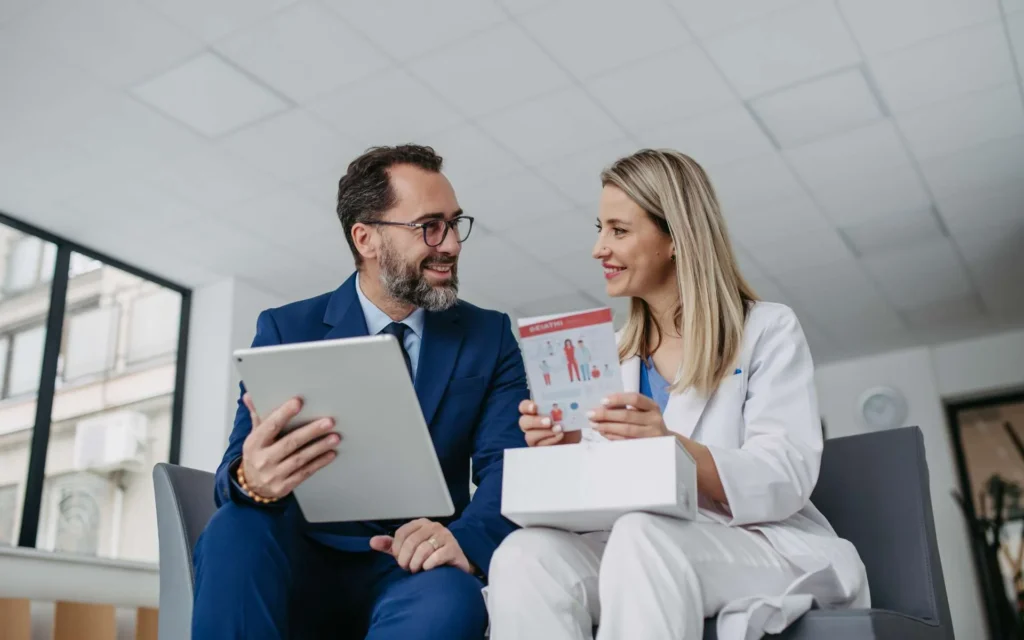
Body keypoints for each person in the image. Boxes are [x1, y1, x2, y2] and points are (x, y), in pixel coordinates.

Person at [484, 149, 870, 639]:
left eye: (619, 231)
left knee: (643, 536)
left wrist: (672, 449)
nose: (599, 248)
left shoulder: (766, 330)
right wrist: (568, 447)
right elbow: (606, 492)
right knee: (525, 556)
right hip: (634, 546)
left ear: (675, 238)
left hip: (754, 544)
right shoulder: (611, 355)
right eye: (600, 229)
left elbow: (784, 474)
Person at [191, 145, 529, 640]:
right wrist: (253, 479)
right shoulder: (286, 329)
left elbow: (508, 466)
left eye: (455, 223)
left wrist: (463, 539)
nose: (452, 243)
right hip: (298, 556)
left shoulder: (489, 336)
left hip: (415, 564)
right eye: (429, 226)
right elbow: (233, 475)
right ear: (366, 238)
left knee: (451, 599)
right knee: (233, 528)